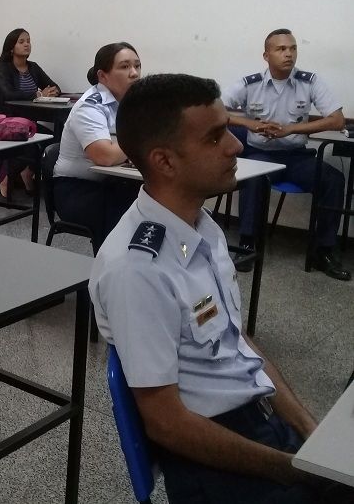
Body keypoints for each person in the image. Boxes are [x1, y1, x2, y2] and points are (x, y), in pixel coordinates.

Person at [92, 73, 353, 504]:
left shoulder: (202, 225)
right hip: (210, 456)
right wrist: (297, 471)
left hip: (259, 421)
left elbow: (238, 342)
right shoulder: (137, 270)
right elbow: (167, 425)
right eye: (215, 138)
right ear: (165, 161)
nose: (236, 146)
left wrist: (311, 433)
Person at [223, 28, 350, 281]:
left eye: (292, 48)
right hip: (260, 154)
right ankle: (248, 243)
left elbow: (337, 120)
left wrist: (291, 129)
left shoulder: (310, 81)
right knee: (253, 177)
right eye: (281, 49)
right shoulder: (250, 83)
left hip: (296, 157)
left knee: (333, 179)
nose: (288, 54)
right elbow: (215, 111)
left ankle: (323, 250)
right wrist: (250, 124)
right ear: (266, 55)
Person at [51, 42, 142, 252]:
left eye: (137, 66)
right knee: (133, 213)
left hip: (116, 183)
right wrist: (140, 139)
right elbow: (105, 156)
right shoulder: (90, 106)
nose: (134, 73)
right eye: (125, 67)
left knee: (159, 204)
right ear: (102, 76)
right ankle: (113, 269)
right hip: (77, 190)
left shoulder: (132, 103)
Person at [0, 28, 61, 196]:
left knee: (55, 139)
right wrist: (37, 95)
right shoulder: (3, 68)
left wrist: (53, 91)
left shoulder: (33, 67)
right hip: (6, 120)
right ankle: (8, 177)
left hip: (28, 121)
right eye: (21, 42)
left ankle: (28, 171)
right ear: (11, 47)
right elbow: (8, 94)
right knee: (31, 143)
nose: (27, 44)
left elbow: (54, 86)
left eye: (28, 41)